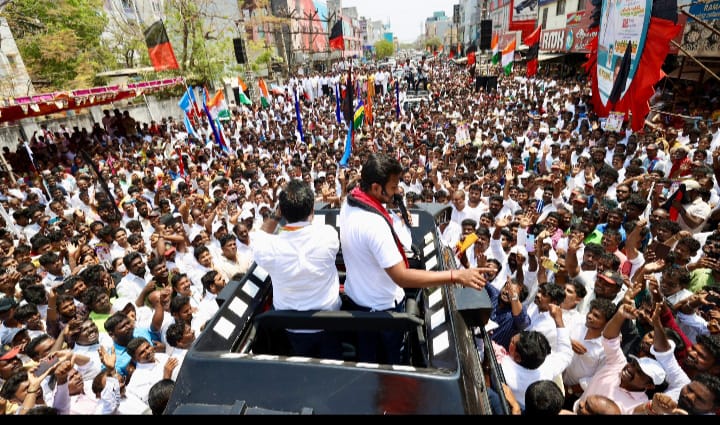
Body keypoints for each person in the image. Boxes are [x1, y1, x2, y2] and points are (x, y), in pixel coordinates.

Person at [338, 153, 490, 364]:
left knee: (366, 360)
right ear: (375, 187)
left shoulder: (350, 202)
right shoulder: (374, 225)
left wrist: (395, 219)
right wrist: (455, 275)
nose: (396, 192)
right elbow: (402, 276)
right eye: (393, 187)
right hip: (384, 311)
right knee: (392, 362)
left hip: (358, 302)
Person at [251, 179, 343, 359]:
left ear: (281, 211)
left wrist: (276, 216)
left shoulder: (267, 247)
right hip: (330, 320)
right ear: (312, 210)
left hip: (291, 325)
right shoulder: (328, 235)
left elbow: (260, 236)